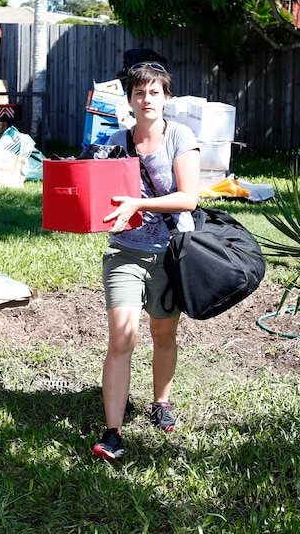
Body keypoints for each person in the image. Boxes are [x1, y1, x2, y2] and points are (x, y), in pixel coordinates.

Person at [92, 62, 201, 461]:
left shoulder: (180, 137)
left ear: (165, 97)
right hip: (125, 252)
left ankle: (161, 402)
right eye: (139, 93)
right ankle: (113, 433)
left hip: (171, 252)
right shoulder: (115, 140)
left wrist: (140, 201)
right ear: (130, 100)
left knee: (163, 336)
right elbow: (97, 191)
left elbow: (189, 197)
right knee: (122, 338)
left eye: (154, 92)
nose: (146, 99)